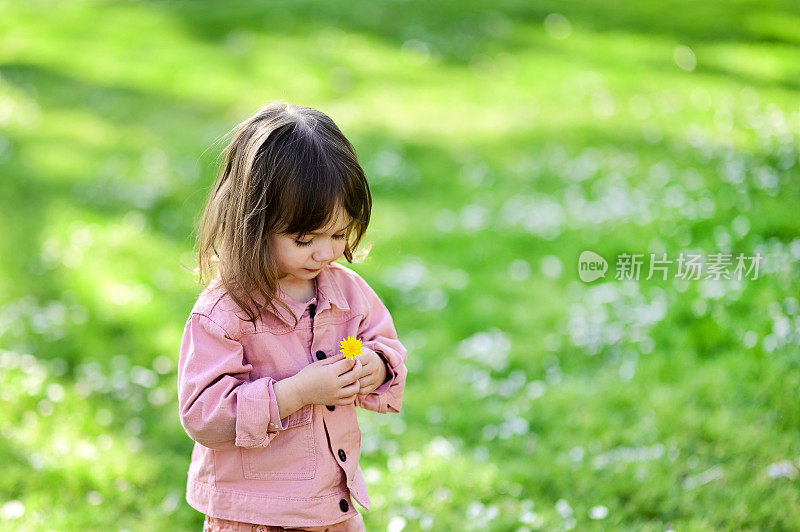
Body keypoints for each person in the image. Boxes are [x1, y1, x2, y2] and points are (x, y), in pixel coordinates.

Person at [177, 101, 407, 532]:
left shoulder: (347, 292)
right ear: (253, 224)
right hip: (252, 515)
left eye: (338, 234)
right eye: (304, 239)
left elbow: (385, 345)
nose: (325, 252)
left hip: (330, 507)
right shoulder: (223, 314)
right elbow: (204, 414)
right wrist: (294, 393)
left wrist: (375, 366)